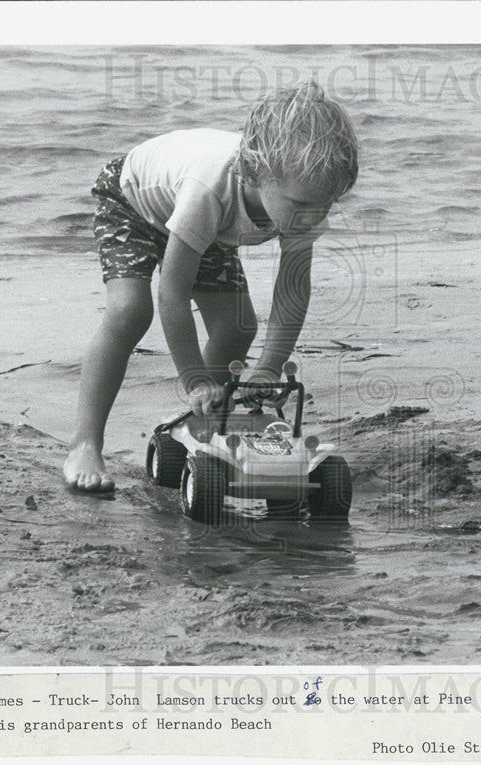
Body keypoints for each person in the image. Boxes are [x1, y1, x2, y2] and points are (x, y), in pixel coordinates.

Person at [64, 81, 359, 492]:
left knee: (236, 328)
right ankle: (85, 443)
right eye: (301, 206)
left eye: (325, 205)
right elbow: (173, 293)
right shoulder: (211, 188)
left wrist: (269, 368)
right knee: (131, 311)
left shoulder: (302, 195)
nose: (312, 218)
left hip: (211, 230)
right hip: (133, 202)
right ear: (254, 173)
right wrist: (194, 378)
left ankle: (206, 425)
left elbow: (292, 288)